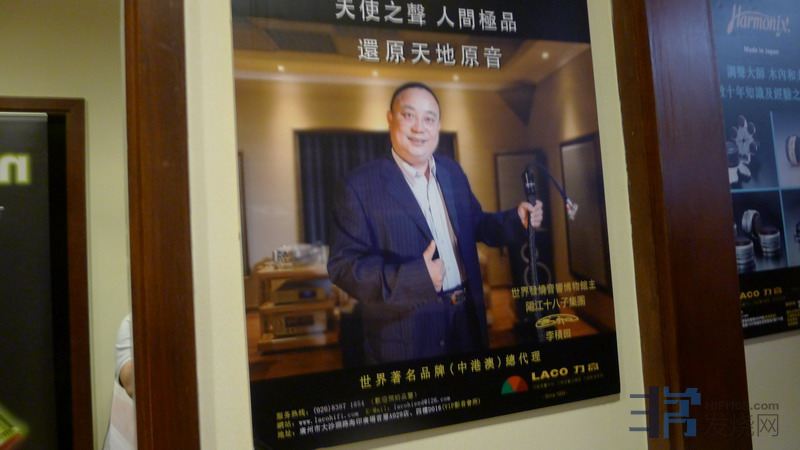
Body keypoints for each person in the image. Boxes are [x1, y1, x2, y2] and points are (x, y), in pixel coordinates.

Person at [328, 82, 543, 364]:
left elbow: (475, 223)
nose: (420, 128)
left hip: (466, 318)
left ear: (438, 126)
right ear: (390, 119)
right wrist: (416, 278)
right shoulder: (359, 185)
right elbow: (343, 267)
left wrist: (515, 220)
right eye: (409, 115)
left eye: (429, 118)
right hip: (406, 331)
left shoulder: (451, 171)